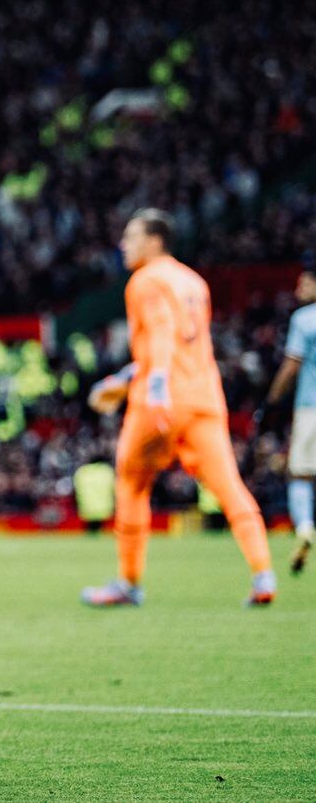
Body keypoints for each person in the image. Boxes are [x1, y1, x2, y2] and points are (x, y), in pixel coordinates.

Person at [82, 210, 276, 608]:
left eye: (131, 237)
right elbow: (180, 344)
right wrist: (127, 377)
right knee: (229, 486)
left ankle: (129, 583)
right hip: (204, 396)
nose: (123, 245)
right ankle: (263, 575)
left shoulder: (146, 280)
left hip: (163, 398)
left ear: (155, 240)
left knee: (132, 481)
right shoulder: (194, 282)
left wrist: (153, 389)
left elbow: (160, 334)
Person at [263, 255, 316, 575]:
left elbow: (291, 366)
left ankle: (305, 528)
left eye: (305, 281)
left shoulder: (304, 319)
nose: (299, 287)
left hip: (311, 408)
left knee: (300, 474)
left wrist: (271, 401)